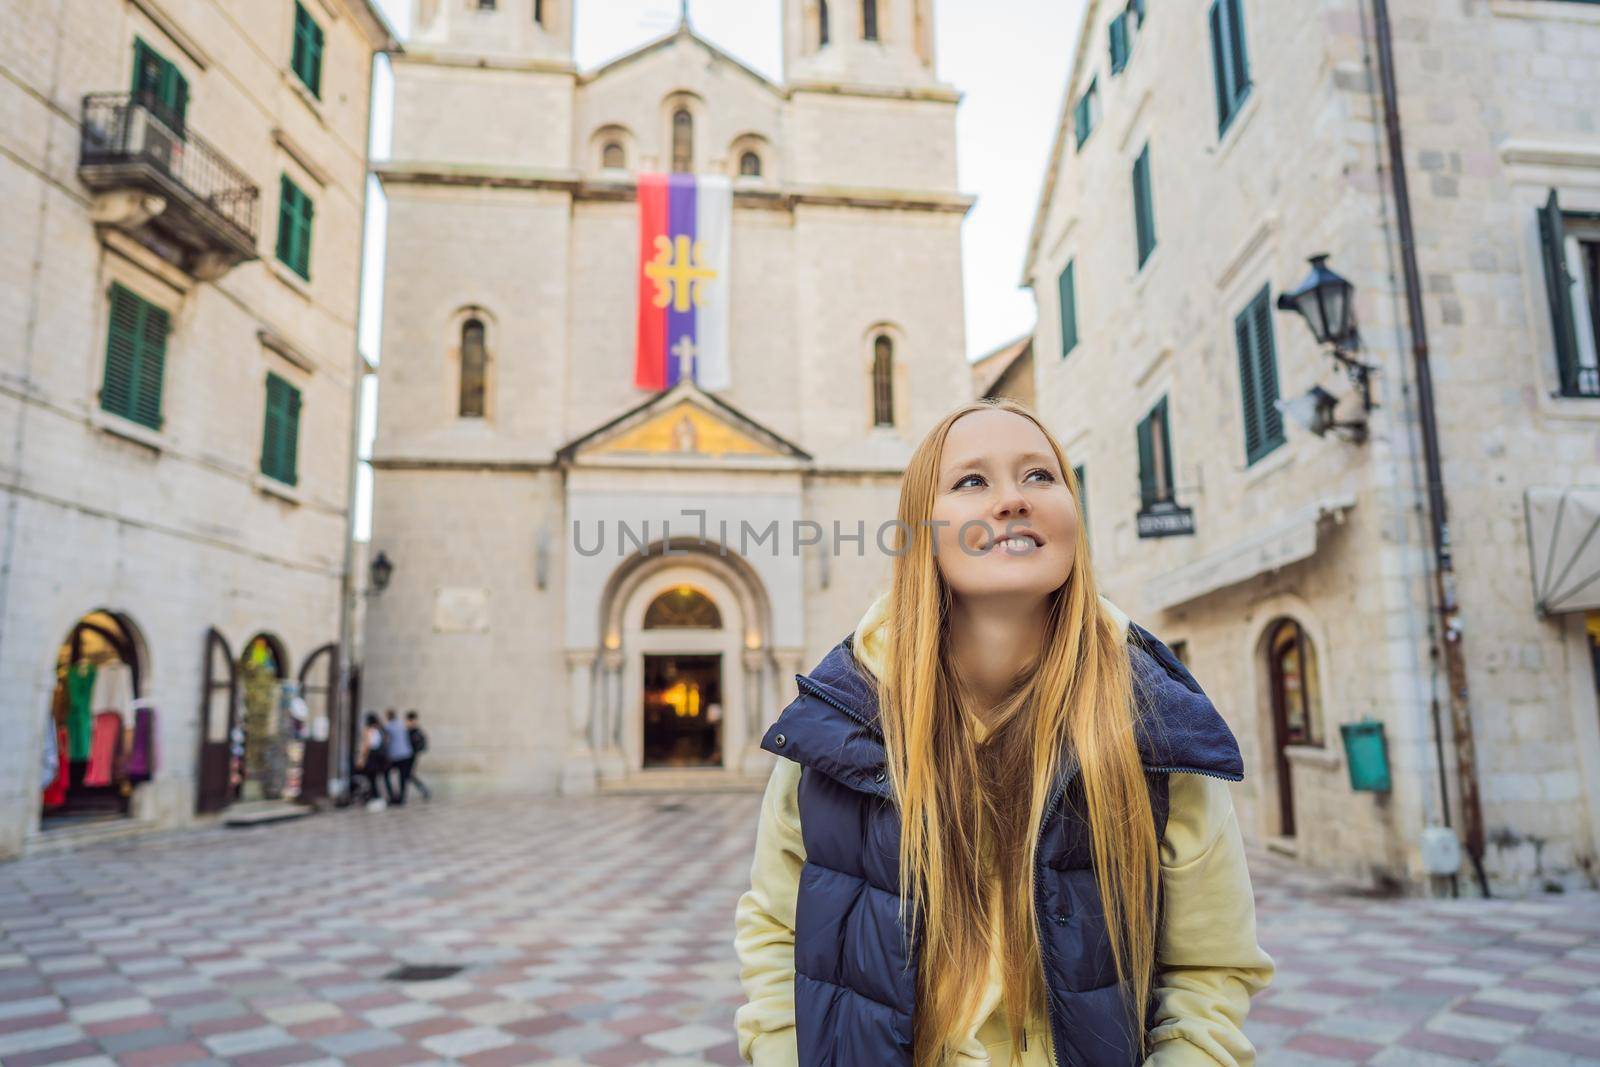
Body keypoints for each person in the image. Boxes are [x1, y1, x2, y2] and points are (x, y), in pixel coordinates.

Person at [733, 400, 1274, 1067]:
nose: (1014, 498)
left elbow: (1210, 971)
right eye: (972, 481)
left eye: (1041, 476)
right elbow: (775, 934)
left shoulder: (1155, 725)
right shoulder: (838, 725)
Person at [383, 708, 415, 806]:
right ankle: (401, 799)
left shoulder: (388, 727)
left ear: (388, 716)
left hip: (395, 755)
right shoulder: (402, 724)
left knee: (386, 774)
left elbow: (385, 741)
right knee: (403, 777)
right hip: (406, 754)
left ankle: (392, 796)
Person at [359, 713, 389, 811]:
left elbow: (366, 746)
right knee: (374, 779)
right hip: (379, 758)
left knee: (371, 779)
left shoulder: (369, 731)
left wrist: (361, 759)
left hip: (372, 757)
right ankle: (375, 797)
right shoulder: (380, 730)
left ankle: (374, 798)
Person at [404, 710, 432, 802]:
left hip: (411, 755)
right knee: (408, 775)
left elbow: (422, 744)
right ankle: (423, 790)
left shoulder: (415, 731)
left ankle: (423, 790)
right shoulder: (411, 730)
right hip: (408, 755)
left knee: (408, 774)